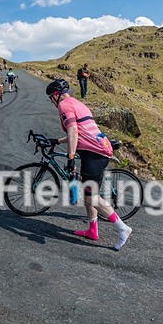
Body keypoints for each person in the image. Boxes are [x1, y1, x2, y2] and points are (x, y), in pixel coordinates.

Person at [46, 79, 133, 251]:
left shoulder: (64, 106)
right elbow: (81, 133)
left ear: (56, 95)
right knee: (88, 193)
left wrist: (71, 158)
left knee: (91, 197)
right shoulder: (78, 103)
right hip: (96, 150)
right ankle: (93, 230)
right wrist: (57, 140)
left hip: (95, 154)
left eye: (50, 97)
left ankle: (123, 228)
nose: (50, 101)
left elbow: (73, 132)